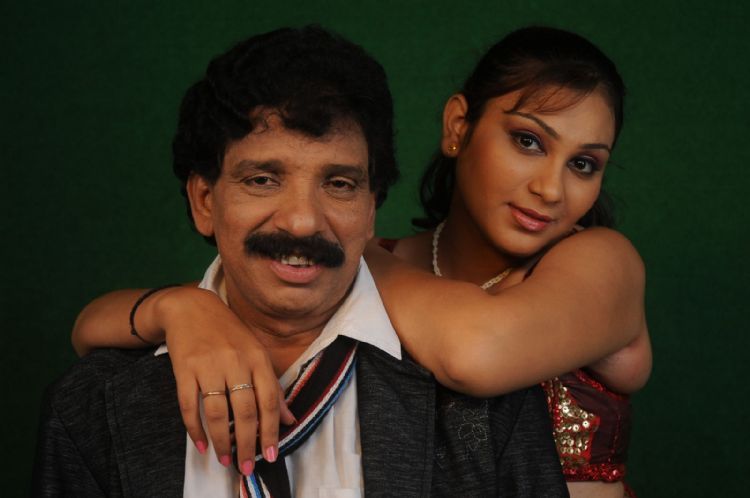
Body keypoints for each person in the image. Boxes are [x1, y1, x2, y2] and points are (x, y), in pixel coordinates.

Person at [72, 27, 650, 497]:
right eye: (528, 141)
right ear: (458, 125)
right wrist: (182, 309)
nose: (551, 188)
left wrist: (358, 253)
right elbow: (88, 329)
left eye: (584, 164)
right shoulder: (373, 257)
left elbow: (476, 352)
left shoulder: (600, 260)